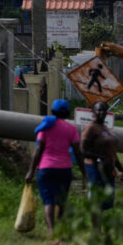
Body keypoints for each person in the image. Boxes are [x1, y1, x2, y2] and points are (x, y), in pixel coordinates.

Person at [25, 99, 85, 237]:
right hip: (65, 170)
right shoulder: (72, 129)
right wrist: (84, 172)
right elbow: (78, 152)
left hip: (46, 169)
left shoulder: (46, 126)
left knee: (49, 202)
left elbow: (38, 150)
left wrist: (30, 171)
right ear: (68, 113)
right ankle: (59, 229)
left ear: (52, 111)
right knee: (61, 202)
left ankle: (52, 232)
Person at [81, 101, 123, 214]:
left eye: (104, 110)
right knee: (97, 199)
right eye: (99, 110)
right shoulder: (90, 128)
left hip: (108, 168)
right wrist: (100, 158)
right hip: (95, 168)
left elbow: (112, 152)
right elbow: (83, 150)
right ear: (93, 112)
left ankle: (100, 222)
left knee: (106, 200)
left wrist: (120, 169)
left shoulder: (105, 128)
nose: (101, 112)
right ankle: (95, 224)